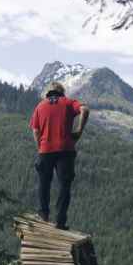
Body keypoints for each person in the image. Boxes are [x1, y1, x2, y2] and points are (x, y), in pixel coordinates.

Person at [29, 80, 90, 229]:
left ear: (48, 93)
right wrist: (79, 130)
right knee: (64, 185)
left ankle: (43, 215)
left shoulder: (40, 106)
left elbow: (35, 130)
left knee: (44, 183)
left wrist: (40, 147)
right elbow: (85, 110)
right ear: (61, 91)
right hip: (65, 150)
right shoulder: (68, 102)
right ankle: (60, 222)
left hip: (45, 150)